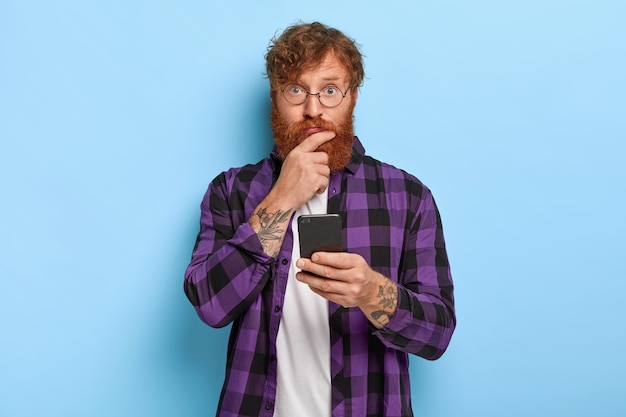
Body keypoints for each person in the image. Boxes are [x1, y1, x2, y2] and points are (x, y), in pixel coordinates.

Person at [184, 21, 456, 417]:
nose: (313, 109)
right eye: (296, 89)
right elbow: (210, 305)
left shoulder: (407, 196)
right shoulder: (232, 190)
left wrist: (370, 292)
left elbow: (438, 334)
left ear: (353, 98)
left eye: (329, 91)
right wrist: (280, 199)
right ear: (275, 98)